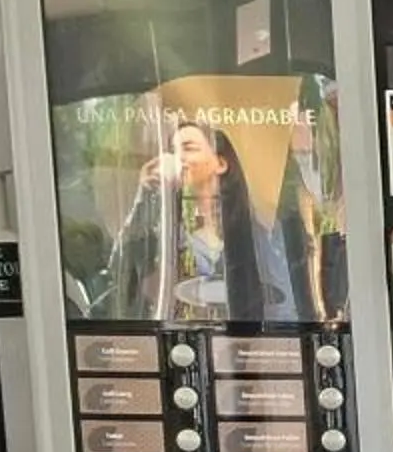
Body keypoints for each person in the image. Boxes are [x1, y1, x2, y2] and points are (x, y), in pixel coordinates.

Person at [101, 120, 292, 321]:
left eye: (189, 148)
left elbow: (281, 300)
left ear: (220, 163)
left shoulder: (257, 230)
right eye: (173, 151)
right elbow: (120, 275)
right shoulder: (165, 232)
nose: (178, 158)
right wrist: (145, 196)